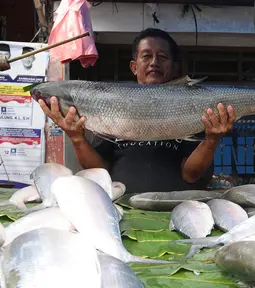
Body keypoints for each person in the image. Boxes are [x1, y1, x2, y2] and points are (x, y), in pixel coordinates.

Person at [37, 28, 236, 192]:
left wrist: (211, 140)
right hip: (123, 210)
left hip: (177, 209)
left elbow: (190, 175)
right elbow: (100, 171)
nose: (154, 62)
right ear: (134, 66)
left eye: (162, 56)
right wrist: (76, 138)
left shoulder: (196, 108)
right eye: (146, 56)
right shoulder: (113, 103)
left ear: (175, 68)